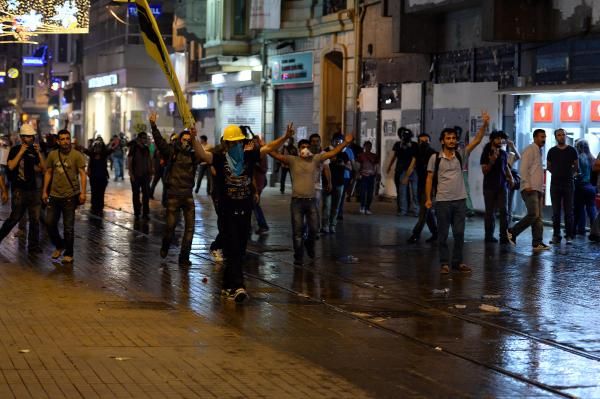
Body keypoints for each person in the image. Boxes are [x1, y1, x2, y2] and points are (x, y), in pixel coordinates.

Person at [195, 124, 294, 303]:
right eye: (232, 143)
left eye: (238, 142)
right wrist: (195, 138)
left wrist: (286, 137)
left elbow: (268, 148)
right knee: (233, 249)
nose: (236, 146)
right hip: (227, 211)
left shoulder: (248, 155)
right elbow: (202, 155)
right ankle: (239, 286)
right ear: (226, 144)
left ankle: (226, 286)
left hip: (245, 210)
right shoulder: (218, 157)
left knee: (239, 249)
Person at [270, 131, 354, 265]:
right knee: (297, 231)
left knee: (314, 229)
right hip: (297, 201)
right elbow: (272, 152)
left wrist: (346, 142)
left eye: (306, 147)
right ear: (298, 149)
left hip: (311, 200)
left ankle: (309, 245)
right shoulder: (292, 160)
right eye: (302, 147)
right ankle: (298, 256)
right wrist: (285, 137)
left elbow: (332, 153)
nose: (304, 149)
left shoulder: (316, 159)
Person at [425, 111, 489, 274]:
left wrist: (485, 124)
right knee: (443, 234)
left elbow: (477, 140)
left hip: (460, 200)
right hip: (443, 201)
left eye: (454, 138)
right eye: (448, 138)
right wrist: (428, 198)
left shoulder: (461, 154)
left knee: (459, 233)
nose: (452, 141)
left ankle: (457, 262)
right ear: (442, 141)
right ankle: (444, 263)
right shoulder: (435, 158)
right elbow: (429, 179)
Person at [148, 112, 203, 266]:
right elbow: (159, 142)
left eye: (188, 140)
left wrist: (195, 137)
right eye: (184, 139)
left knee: (190, 228)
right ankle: (165, 245)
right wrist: (153, 125)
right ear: (179, 140)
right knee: (170, 227)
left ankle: (184, 257)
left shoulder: (194, 155)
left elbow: (203, 153)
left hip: (188, 195)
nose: (186, 142)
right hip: (173, 195)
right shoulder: (172, 151)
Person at [42, 129, 87, 264]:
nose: (65, 141)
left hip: (70, 196)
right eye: (62, 139)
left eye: (67, 138)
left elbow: (83, 174)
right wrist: (44, 191)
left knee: (68, 227)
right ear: (58, 141)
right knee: (49, 223)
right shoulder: (52, 155)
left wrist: (83, 192)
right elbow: (48, 172)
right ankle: (60, 245)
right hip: (54, 195)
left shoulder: (77, 155)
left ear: (70, 139)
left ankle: (69, 253)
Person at [0, 124, 44, 252]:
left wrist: (39, 153)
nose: (30, 139)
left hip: (33, 190)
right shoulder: (14, 150)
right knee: (14, 218)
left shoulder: (34, 151)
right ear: (21, 137)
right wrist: (21, 152)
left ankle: (33, 246)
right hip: (19, 190)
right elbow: (11, 166)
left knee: (35, 220)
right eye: (27, 136)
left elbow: (43, 168)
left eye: (31, 136)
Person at [507, 129, 550, 250]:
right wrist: (526, 184)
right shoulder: (530, 149)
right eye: (542, 136)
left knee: (538, 217)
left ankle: (537, 242)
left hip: (537, 189)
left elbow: (535, 170)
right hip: (529, 188)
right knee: (533, 214)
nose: (544, 139)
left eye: (545, 136)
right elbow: (523, 168)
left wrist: (541, 187)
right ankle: (512, 231)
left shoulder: (539, 151)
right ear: (535, 137)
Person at [480, 130, 514, 243]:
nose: (500, 141)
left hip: (502, 187)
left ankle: (504, 236)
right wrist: (491, 161)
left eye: (501, 139)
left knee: (504, 211)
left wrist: (511, 178)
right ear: (492, 140)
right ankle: (488, 235)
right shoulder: (486, 153)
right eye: (498, 138)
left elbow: (506, 167)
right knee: (490, 212)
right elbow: (484, 171)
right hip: (489, 187)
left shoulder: (503, 153)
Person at [547, 128, 578, 244]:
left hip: (568, 184)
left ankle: (569, 235)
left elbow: (576, 166)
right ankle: (556, 235)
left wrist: (570, 174)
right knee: (556, 212)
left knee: (569, 211)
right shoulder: (551, 151)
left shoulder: (572, 150)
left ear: (566, 136)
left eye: (563, 135)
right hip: (555, 184)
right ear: (556, 137)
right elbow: (549, 167)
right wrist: (557, 173)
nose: (561, 137)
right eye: (559, 135)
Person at [406, 133, 438, 244]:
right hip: (420, 185)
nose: (424, 143)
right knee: (427, 212)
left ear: (430, 141)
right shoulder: (417, 152)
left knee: (424, 212)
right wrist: (406, 177)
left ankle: (416, 234)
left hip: (429, 187)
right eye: (421, 141)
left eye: (426, 140)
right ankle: (435, 233)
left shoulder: (433, 154)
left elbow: (436, 172)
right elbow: (412, 165)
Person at [324, 134, 351, 233]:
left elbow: (350, 167)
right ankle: (325, 225)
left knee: (336, 206)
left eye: (340, 141)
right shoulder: (326, 151)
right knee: (326, 205)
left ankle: (332, 225)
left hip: (340, 183)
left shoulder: (344, 154)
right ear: (332, 141)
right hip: (327, 183)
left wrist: (344, 164)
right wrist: (330, 161)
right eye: (337, 141)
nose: (338, 143)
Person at [387, 127, 418, 216]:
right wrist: (389, 166)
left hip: (412, 170)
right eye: (403, 136)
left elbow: (414, 158)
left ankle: (416, 210)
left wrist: (409, 171)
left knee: (415, 191)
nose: (405, 138)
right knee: (402, 192)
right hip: (401, 170)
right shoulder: (398, 145)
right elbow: (394, 156)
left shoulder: (414, 145)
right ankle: (403, 210)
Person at [83, 136, 113, 215]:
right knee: (94, 191)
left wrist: (114, 144)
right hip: (94, 177)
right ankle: (94, 206)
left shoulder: (104, 155)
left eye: (99, 147)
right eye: (96, 147)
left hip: (102, 178)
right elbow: (85, 151)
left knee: (101, 192)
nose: (97, 149)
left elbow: (111, 150)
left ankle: (100, 206)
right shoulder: (92, 155)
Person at [574, 139, 597, 236]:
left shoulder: (579, 158)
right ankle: (595, 230)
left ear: (579, 147)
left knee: (579, 209)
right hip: (591, 187)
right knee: (591, 209)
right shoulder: (592, 158)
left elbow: (576, 172)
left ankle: (581, 230)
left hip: (581, 186)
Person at [127, 132, 153, 219]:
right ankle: (137, 211)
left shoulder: (146, 148)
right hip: (136, 175)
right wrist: (131, 174)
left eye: (145, 138)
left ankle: (145, 212)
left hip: (145, 175)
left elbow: (149, 160)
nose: (145, 140)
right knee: (136, 194)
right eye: (143, 138)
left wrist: (150, 172)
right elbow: (130, 161)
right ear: (139, 139)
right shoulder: (133, 148)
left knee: (146, 194)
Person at [309, 133, 331, 231]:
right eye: (313, 141)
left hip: (317, 186)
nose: (315, 143)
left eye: (317, 141)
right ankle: (309, 227)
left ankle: (316, 227)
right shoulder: (305, 153)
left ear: (320, 142)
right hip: (305, 186)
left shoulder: (323, 155)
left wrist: (329, 182)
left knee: (315, 207)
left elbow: (326, 169)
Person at [252, 135, 269, 235]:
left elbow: (264, 169)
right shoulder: (253, 152)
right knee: (253, 204)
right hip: (255, 182)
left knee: (255, 204)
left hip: (258, 182)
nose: (254, 144)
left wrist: (254, 164)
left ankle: (263, 225)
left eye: (256, 142)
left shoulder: (261, 153)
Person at [357, 141, 379, 214]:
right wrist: (358, 174)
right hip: (363, 176)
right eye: (367, 146)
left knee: (370, 193)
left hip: (371, 176)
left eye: (369, 146)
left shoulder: (374, 156)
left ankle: (367, 207)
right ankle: (362, 206)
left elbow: (376, 166)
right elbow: (359, 166)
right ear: (364, 147)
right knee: (363, 192)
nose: (368, 148)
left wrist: (377, 174)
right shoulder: (360, 155)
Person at [505, 139, 521, 224]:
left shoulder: (509, 155)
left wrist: (512, 146)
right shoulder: (499, 153)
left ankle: (508, 223)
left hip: (508, 181)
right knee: (506, 204)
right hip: (502, 181)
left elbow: (518, 156)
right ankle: (506, 223)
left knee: (509, 203)